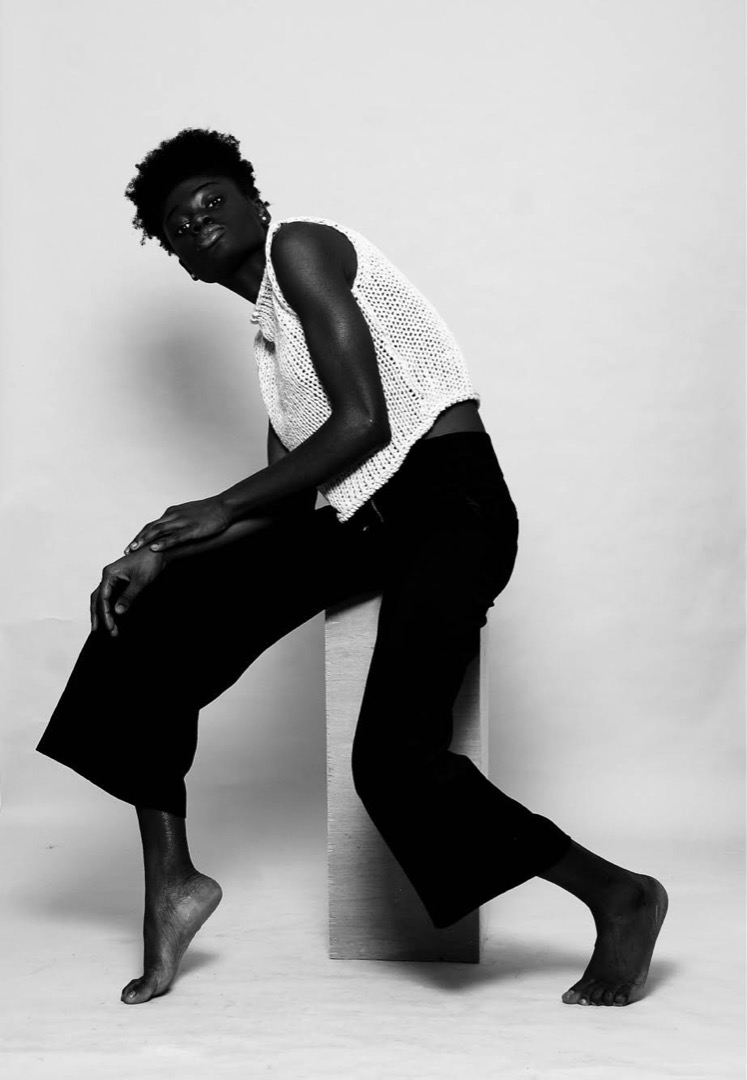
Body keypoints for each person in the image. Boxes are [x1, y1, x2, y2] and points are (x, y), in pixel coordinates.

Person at [36, 128, 668, 1008]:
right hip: (361, 521)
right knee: (145, 614)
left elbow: (364, 421)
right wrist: (158, 551)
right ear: (180, 261)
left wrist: (217, 505)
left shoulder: (301, 246)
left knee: (393, 762)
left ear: (256, 203)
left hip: (449, 504)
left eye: (214, 199)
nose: (198, 220)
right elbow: (290, 498)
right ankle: (173, 882)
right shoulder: (269, 349)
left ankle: (619, 894)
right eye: (178, 223)